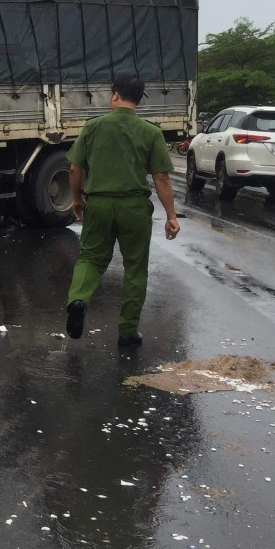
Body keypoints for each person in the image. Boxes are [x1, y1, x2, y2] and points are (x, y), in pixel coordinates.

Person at [64, 73, 179, 349]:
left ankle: (78, 300)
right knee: (135, 268)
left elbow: (74, 168)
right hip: (134, 208)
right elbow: (161, 177)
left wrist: (77, 198)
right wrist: (172, 216)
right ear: (138, 100)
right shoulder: (151, 132)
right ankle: (128, 332)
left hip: (99, 204)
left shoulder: (93, 127)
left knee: (91, 257)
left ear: (115, 95)